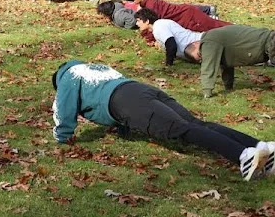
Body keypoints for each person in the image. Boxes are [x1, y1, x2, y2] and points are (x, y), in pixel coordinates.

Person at [51, 60, 273, 181]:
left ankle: (243, 157)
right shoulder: (94, 68)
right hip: (141, 89)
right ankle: (258, 146)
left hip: (127, 102)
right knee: (197, 123)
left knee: (182, 130)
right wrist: (122, 129)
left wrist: (62, 137)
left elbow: (64, 110)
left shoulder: (69, 77)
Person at [188, 24, 275, 98]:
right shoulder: (216, 38)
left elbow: (208, 68)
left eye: (200, 54)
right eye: (200, 60)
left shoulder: (209, 41)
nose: (203, 57)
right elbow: (227, 64)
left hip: (271, 43)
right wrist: (228, 87)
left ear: (196, 44)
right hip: (269, 42)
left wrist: (206, 92)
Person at [131, 0, 228, 33]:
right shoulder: (147, 3)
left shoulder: (151, 5)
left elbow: (153, 24)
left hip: (188, 16)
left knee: (214, 26)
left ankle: (237, 29)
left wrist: (150, 38)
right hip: (186, 14)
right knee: (212, 25)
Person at [135, 9, 202, 65]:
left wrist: (168, 63)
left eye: (138, 21)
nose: (136, 24)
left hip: (201, 42)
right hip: (197, 44)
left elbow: (171, 44)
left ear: (147, 21)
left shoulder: (159, 26)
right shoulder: (159, 25)